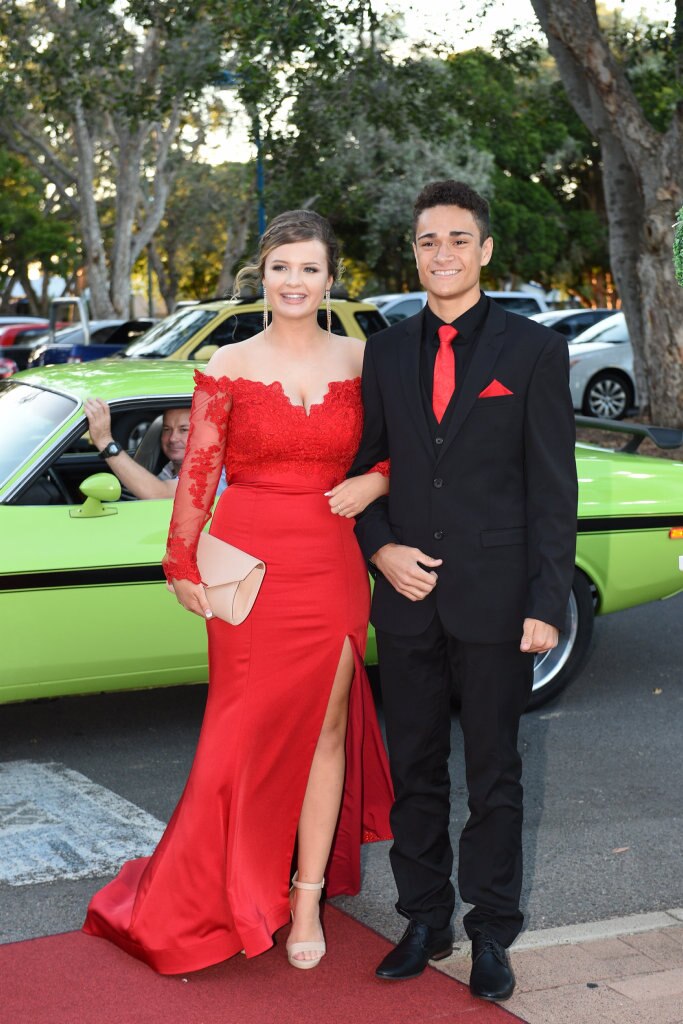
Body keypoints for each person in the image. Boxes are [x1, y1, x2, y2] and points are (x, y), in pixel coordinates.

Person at [83, 211, 394, 974]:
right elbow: (197, 474)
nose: (294, 281)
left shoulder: (366, 359)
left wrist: (374, 479)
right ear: (264, 276)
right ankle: (210, 883)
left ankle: (306, 896)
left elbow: (406, 453)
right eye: (281, 267)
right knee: (236, 738)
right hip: (248, 563)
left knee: (325, 733)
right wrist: (180, 564)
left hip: (332, 560)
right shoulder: (226, 364)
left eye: (309, 268)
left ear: (330, 278)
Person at [349, 180, 577, 1000]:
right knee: (414, 769)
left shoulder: (531, 351)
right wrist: (381, 553)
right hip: (405, 599)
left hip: (496, 599)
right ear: (412, 253)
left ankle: (490, 930)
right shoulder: (383, 350)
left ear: (483, 250)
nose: (439, 253)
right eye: (425, 241)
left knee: (494, 774)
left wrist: (545, 605)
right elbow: (366, 470)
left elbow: (553, 488)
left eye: (455, 239)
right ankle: (422, 918)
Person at [84, 400, 189, 499]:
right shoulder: (171, 468)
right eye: (167, 429)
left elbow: (159, 494)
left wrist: (104, 441)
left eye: (184, 430)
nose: (172, 438)